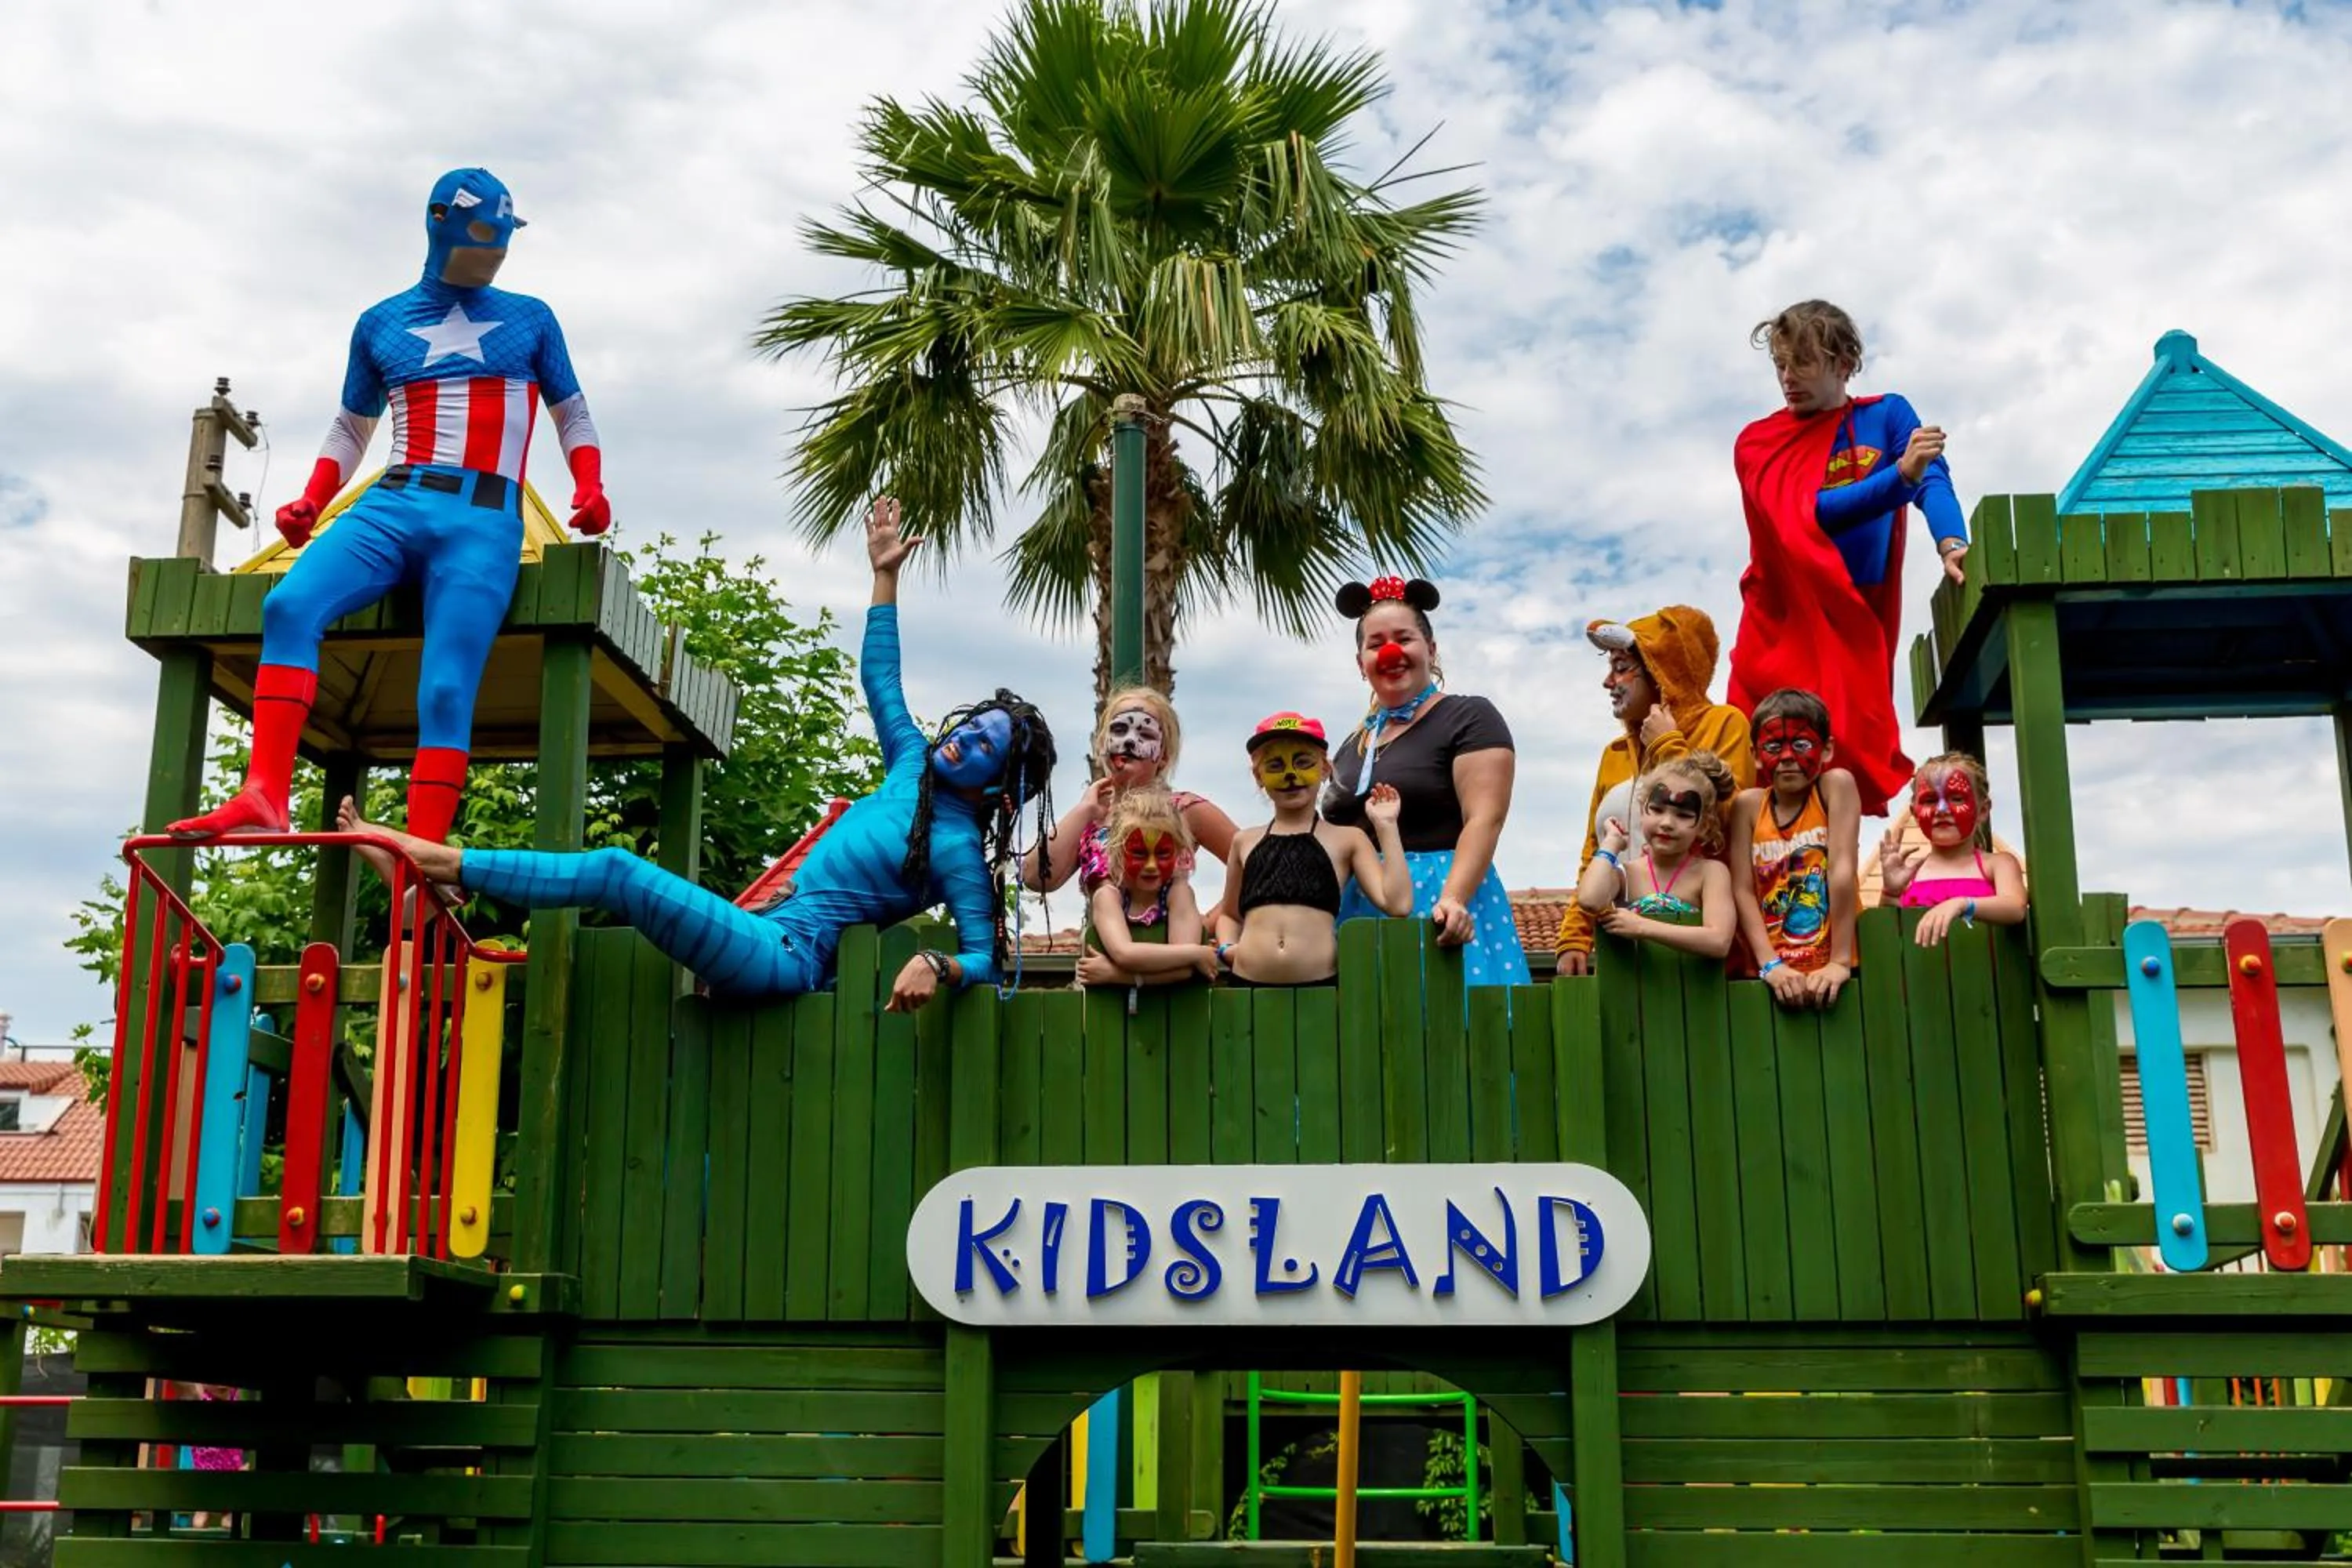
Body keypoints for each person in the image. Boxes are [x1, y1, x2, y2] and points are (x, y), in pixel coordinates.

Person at [339, 499, 1055, 1011]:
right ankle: (427, 907)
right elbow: (881, 680)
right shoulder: (911, 767)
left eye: (983, 745)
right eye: (970, 724)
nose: (961, 739)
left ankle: (436, 861)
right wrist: (884, 576)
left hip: (786, 958)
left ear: (1000, 787)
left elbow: (985, 959)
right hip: (765, 928)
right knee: (575, 950)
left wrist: (937, 963)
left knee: (617, 871)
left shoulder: (958, 845)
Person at [172, 169, 612, 842]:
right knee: (287, 604)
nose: (497, 249)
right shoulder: (381, 322)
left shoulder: (532, 317)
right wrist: (312, 499)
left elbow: (572, 413)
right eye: (486, 232)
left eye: (505, 235)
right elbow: (353, 425)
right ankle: (265, 792)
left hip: (483, 518)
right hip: (395, 501)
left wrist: (590, 483)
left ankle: (425, 855)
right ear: (442, 221)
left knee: (444, 689)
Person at [1730, 299, 1968, 815]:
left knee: (1841, 763)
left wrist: (1952, 541)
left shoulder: (1886, 415)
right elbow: (1809, 514)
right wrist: (1897, 478)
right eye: (1780, 365)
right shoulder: (1758, 442)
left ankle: (1829, 884)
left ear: (1842, 363)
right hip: (1781, 622)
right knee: (1755, 764)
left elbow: (1931, 475)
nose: (1787, 377)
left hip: (1851, 619)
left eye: (1802, 363)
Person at [1319, 577, 1530, 989]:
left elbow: (1484, 819)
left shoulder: (1468, 716)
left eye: (1404, 638)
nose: (1391, 652)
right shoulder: (1353, 742)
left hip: (1438, 898)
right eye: (1375, 644)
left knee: (1447, 1034)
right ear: (1361, 662)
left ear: (1431, 650)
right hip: (1357, 909)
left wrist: (1454, 898)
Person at [1555, 607, 1753, 974]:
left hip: (1703, 960)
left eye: (1621, 667)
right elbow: (1593, 853)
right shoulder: (1612, 756)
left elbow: (1727, 826)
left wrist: (1667, 744)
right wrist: (1576, 935)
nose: (1608, 682)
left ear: (1663, 671)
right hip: (1623, 953)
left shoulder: (1725, 724)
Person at [1213, 713, 1411, 986]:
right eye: (1275, 765)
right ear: (1259, 777)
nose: (1290, 775)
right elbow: (1229, 915)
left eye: (1303, 762)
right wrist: (1226, 949)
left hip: (1320, 992)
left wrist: (1387, 826)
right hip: (1248, 990)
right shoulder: (1243, 842)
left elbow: (1398, 904)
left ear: (1324, 769)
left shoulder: (1348, 840)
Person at [1023, 687, 1236, 899]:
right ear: (1102, 745)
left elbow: (1256, 865)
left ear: (1163, 755)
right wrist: (1084, 811)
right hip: (1101, 933)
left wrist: (1217, 919)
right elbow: (1034, 877)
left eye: (1145, 734)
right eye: (1118, 730)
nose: (1129, 741)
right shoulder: (1093, 817)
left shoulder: (1183, 809)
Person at [1729, 688, 1860, 1008]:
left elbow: (1841, 869)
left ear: (1827, 749)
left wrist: (1840, 962)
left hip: (1837, 966)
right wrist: (1770, 965)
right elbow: (1742, 890)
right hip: (1772, 972)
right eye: (1774, 746)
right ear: (1757, 754)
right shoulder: (1748, 806)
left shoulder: (1834, 786)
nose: (1787, 757)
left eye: (1801, 745)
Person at [1573, 755, 1738, 960]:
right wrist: (1611, 844)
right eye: (1658, 810)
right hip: (1634, 991)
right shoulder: (1627, 874)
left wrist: (1642, 927)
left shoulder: (1711, 872)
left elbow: (1719, 941)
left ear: (1704, 825)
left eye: (1683, 815)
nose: (1667, 822)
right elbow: (1590, 900)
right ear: (1642, 812)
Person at [1076, 786, 1220, 993]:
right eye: (1139, 854)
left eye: (1162, 854)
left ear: (1177, 852)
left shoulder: (1179, 893)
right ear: (1118, 853)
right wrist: (1196, 953)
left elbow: (1184, 971)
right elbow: (1124, 953)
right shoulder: (1108, 897)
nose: (1151, 865)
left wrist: (1117, 976)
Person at [1877, 752, 2027, 948]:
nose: (1941, 809)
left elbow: (2015, 908)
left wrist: (1962, 904)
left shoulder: (1998, 864)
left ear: (1982, 810)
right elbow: (1889, 936)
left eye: (1956, 799)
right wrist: (1891, 893)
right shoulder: (1911, 872)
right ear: (1915, 813)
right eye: (1930, 800)